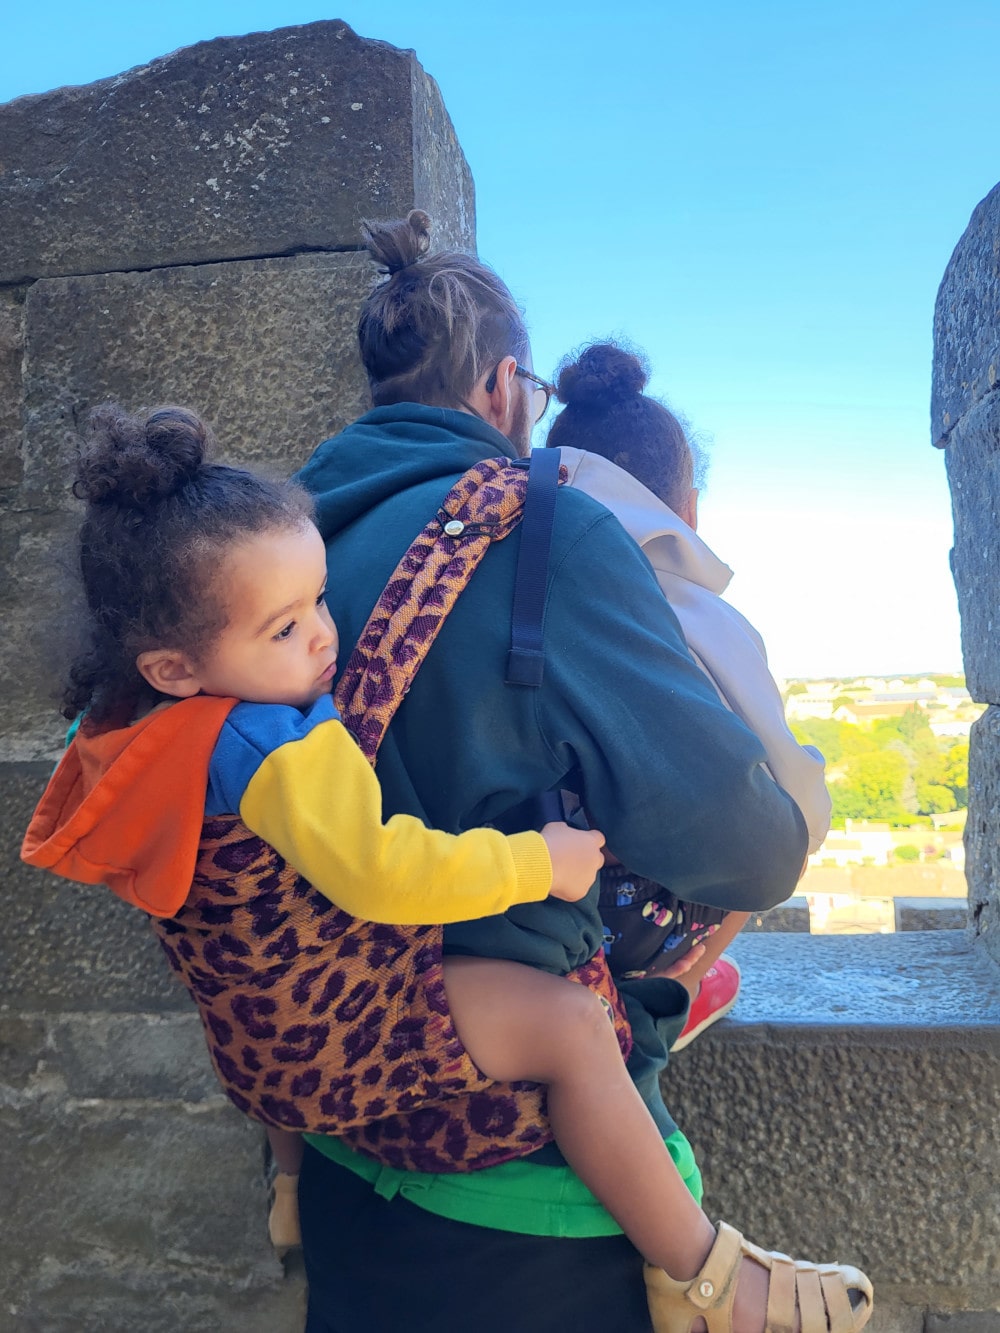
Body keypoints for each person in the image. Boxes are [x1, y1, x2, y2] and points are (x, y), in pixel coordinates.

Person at [19, 406, 867, 1333]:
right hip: (347, 1028)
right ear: (175, 666)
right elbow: (385, 872)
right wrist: (536, 863)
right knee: (572, 1028)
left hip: (267, 1054)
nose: (321, 639)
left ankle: (292, 1190)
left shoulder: (133, 733)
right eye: (282, 627)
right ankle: (709, 1275)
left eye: (318, 601)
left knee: (247, 982)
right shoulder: (274, 751)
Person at [292, 209, 872, 1333]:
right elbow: (748, 850)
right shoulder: (539, 532)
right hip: (526, 1194)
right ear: (506, 387)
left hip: (335, 1137)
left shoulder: (276, 547)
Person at [544, 341, 832, 1049]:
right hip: (619, 926)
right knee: (778, 818)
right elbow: (794, 806)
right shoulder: (701, 615)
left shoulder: (505, 581)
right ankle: (670, 994)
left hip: (505, 904)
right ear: (688, 508)